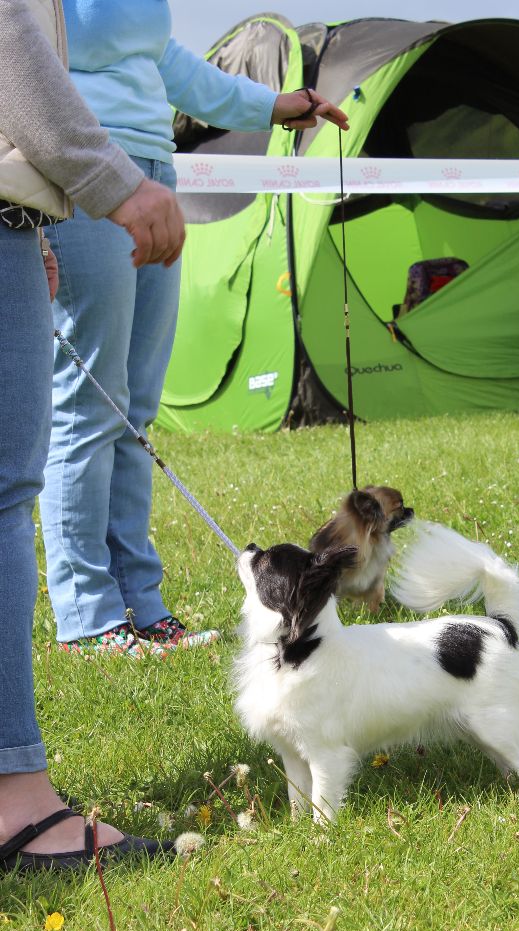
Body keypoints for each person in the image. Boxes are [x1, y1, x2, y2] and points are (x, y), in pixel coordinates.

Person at [40, 0, 350, 656]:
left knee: (134, 411)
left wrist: (275, 106)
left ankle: (142, 607)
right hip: (85, 172)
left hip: (155, 171)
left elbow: (170, 64)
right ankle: (88, 619)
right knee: (90, 410)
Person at [0, 0, 188, 870]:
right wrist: (113, 182)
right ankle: (15, 801)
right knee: (22, 473)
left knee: (117, 413)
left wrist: (30, 216)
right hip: (52, 176)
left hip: (24, 199)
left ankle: (131, 603)